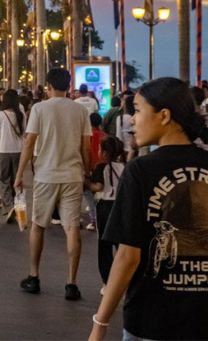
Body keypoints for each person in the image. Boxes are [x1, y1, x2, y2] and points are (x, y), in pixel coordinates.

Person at [89, 78, 208, 341]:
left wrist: (100, 324)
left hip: (153, 320)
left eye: (139, 110)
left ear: (164, 115)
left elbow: (127, 257)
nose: (131, 119)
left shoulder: (142, 171)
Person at [15, 68, 91, 301]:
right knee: (72, 228)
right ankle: (71, 283)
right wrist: (86, 172)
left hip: (46, 175)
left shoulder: (39, 108)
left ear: (48, 85)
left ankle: (34, 275)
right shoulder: (80, 110)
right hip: (72, 175)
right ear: (69, 85)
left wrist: (19, 174)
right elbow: (85, 146)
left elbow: (29, 143)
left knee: (38, 225)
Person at [87, 135, 125, 291]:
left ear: (103, 152)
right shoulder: (124, 166)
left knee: (104, 245)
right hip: (120, 206)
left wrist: (86, 182)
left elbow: (98, 187)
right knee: (121, 244)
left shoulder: (101, 167)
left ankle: (107, 281)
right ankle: (124, 277)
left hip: (105, 207)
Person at [0, 89, 25, 220]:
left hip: (2, 151)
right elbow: (24, 133)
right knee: (18, 182)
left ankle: (9, 207)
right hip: (18, 151)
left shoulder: (0, 115)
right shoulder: (21, 114)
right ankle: (21, 212)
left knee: (3, 180)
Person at [116, 95, 137, 161]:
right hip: (136, 151)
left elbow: (118, 136)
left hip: (124, 152)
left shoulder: (120, 118)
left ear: (125, 105)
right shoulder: (135, 117)